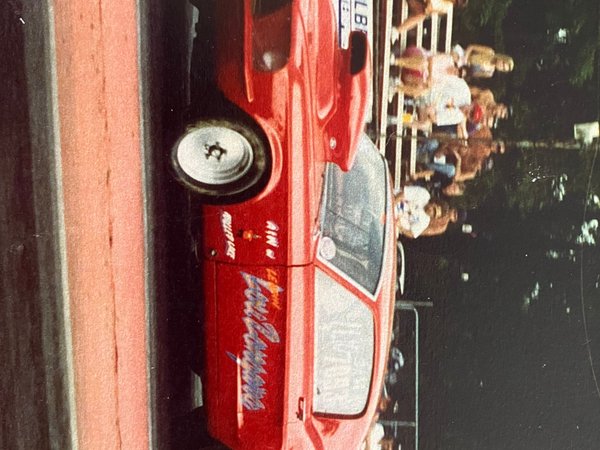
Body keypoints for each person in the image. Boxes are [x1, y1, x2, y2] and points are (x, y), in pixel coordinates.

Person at [391, 0, 469, 39]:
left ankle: (396, 31)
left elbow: (430, 7)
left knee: (421, 15)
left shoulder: (447, 6)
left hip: (419, 3)